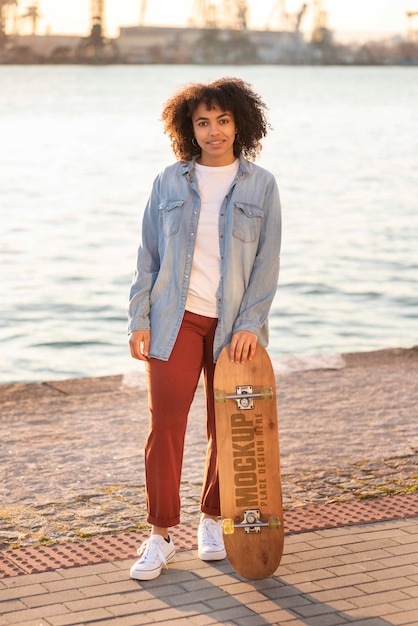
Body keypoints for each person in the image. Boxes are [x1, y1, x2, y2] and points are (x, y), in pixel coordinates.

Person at [128, 77, 281, 581]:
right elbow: (148, 258)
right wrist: (140, 319)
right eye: (202, 122)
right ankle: (160, 535)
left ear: (240, 124)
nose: (213, 131)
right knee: (165, 428)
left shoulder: (261, 185)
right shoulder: (169, 182)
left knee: (229, 429)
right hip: (176, 321)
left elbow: (267, 264)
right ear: (188, 129)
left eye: (222, 120)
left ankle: (212, 521)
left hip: (233, 328)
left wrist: (251, 325)